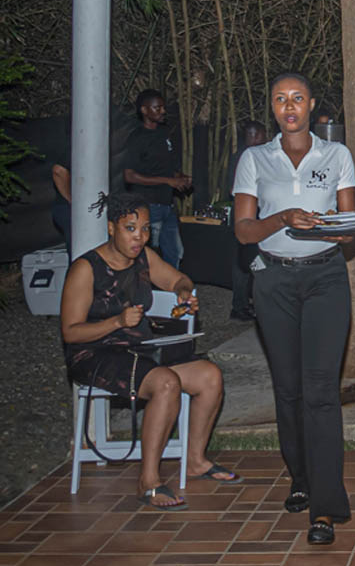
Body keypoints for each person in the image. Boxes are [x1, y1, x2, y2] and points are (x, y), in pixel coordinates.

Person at [233, 73, 355, 546]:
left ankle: (325, 508)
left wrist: (331, 225)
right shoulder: (254, 159)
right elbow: (244, 231)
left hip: (326, 278)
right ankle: (301, 477)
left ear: (311, 105)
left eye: (297, 99)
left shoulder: (337, 155)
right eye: (280, 100)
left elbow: (348, 226)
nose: (289, 107)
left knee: (321, 390)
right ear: (272, 107)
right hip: (273, 281)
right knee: (288, 389)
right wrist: (283, 218)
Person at [60, 192, 237, 511]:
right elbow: (71, 332)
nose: (139, 237)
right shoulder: (86, 268)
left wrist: (184, 292)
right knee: (166, 383)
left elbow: (178, 278)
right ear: (111, 227)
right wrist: (116, 321)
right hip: (95, 355)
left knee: (209, 376)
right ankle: (148, 481)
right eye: (130, 228)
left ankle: (195, 461)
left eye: (144, 229)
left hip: (139, 350)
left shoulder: (144, 258)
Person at [123, 89, 191, 268]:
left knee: (175, 253)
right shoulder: (137, 138)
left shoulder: (163, 133)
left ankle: (170, 285)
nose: (163, 111)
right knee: (148, 256)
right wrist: (168, 181)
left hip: (167, 204)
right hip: (148, 206)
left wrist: (180, 178)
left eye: (163, 107)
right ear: (144, 110)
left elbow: (164, 169)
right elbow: (129, 176)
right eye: (157, 108)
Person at [228, 121, 268, 322]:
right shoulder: (245, 157)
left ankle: (246, 303)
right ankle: (239, 306)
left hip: (254, 218)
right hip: (245, 220)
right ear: (253, 135)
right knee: (245, 265)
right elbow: (234, 190)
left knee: (252, 263)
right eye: (261, 134)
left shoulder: (255, 156)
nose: (264, 138)